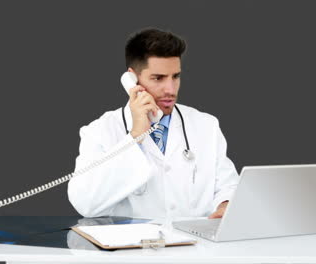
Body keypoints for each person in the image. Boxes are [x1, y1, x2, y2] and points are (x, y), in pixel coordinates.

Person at [68, 28, 239, 219]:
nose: (170, 89)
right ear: (132, 79)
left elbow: (228, 186)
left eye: (175, 76)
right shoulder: (100, 131)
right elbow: (86, 204)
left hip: (196, 246)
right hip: (133, 247)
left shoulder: (206, 125)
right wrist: (135, 137)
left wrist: (226, 205)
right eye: (158, 78)